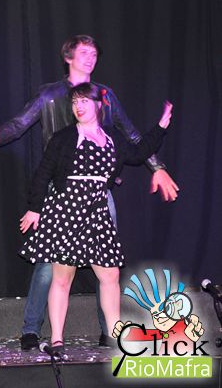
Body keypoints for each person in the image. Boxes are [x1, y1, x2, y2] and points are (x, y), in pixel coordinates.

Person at [0, 35, 180, 350]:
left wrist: (158, 167)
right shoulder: (51, 95)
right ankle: (33, 329)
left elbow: (131, 138)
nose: (90, 58)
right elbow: (20, 124)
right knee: (50, 267)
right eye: (84, 52)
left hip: (98, 194)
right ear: (68, 57)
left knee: (106, 263)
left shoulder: (105, 95)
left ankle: (109, 331)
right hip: (62, 191)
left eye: (94, 53)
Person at [19, 82, 173, 353]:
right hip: (66, 210)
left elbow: (138, 153)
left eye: (84, 101)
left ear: (98, 105)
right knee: (62, 277)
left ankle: (114, 334)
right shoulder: (64, 137)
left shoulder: (112, 137)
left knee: (111, 274)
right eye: (74, 102)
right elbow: (43, 173)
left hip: (97, 211)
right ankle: (57, 338)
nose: (78, 107)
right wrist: (35, 208)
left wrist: (160, 127)